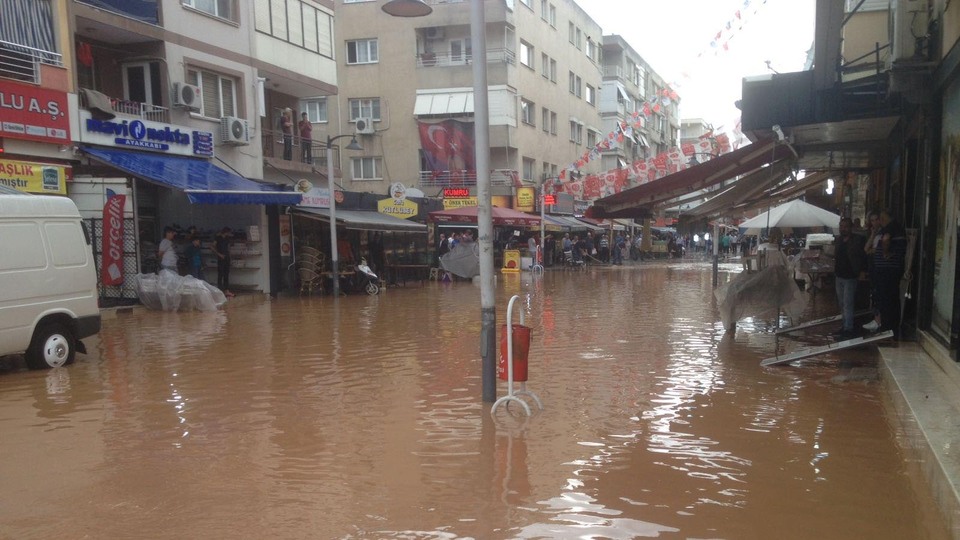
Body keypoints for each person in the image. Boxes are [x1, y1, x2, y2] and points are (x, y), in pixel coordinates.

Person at [873, 209, 907, 341]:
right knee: (891, 298)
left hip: (888, 270)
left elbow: (886, 239)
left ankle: (888, 328)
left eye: (881, 218)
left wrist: (885, 253)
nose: (880, 221)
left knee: (887, 299)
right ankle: (890, 328)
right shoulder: (897, 228)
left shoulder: (891, 228)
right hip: (891, 269)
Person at [833, 217, 866, 338]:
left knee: (848, 303)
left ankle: (848, 328)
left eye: (846, 227)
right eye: (841, 226)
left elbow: (862, 256)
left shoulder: (857, 240)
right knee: (842, 303)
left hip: (850, 276)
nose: (843, 229)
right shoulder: (839, 240)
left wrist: (862, 270)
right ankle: (844, 325)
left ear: (851, 228)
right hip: (839, 275)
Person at [211, 227, 234, 297]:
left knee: (226, 274)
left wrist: (230, 257)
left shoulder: (227, 238)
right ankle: (220, 289)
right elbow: (212, 247)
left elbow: (228, 248)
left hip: (226, 257)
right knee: (220, 273)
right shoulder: (217, 238)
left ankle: (226, 290)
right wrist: (219, 254)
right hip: (221, 257)